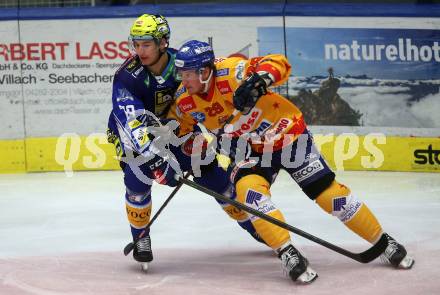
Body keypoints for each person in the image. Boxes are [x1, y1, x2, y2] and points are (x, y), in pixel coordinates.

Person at [167, 40, 415, 283]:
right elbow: (178, 128)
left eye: (187, 74)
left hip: (286, 134)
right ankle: (287, 252)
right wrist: (186, 147)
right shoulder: (183, 99)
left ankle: (383, 241)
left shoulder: (232, 71)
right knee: (249, 195)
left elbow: (279, 62)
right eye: (181, 74)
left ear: (205, 71)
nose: (183, 80)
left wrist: (260, 79)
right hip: (249, 151)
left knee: (330, 196)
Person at [106, 14, 183, 270]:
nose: (140, 51)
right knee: (137, 178)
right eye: (136, 44)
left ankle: (255, 225)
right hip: (131, 130)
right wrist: (155, 158)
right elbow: (131, 123)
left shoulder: (183, 64)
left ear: (163, 42)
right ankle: (140, 236)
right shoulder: (128, 76)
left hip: (171, 127)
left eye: (146, 44)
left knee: (211, 172)